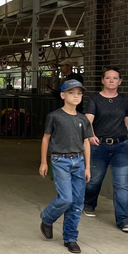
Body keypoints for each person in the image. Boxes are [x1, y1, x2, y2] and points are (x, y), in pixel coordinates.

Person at [39, 79, 91, 254]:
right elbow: (46, 138)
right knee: (66, 198)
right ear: (62, 95)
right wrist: (44, 162)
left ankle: (70, 238)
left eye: (79, 93)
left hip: (79, 161)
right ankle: (47, 218)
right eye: (71, 93)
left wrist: (88, 166)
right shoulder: (55, 116)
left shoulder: (83, 119)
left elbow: (86, 142)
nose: (76, 96)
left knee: (77, 203)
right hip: (60, 160)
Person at [82, 67, 128, 233]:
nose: (111, 81)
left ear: (120, 81)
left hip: (121, 145)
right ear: (102, 80)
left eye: (115, 78)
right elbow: (88, 120)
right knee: (94, 179)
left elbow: (127, 120)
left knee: (122, 184)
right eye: (108, 78)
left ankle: (123, 220)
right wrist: (90, 136)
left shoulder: (124, 100)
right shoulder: (95, 99)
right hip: (99, 145)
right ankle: (89, 204)